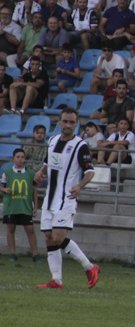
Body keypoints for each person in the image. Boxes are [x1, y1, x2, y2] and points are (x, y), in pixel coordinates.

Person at [33, 108, 99, 289]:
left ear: (76, 124)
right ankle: (57, 280)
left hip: (66, 198)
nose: (69, 125)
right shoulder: (52, 140)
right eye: (66, 121)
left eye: (72, 122)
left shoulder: (80, 145)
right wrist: (40, 172)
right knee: (48, 237)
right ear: (60, 122)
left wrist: (79, 186)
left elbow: (90, 171)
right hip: (50, 198)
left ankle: (90, 267)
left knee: (58, 237)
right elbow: (48, 163)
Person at [1, 148, 41, 262]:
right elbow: (2, 186)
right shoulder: (7, 173)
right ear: (13, 159)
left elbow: (34, 190)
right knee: (10, 228)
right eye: (18, 157)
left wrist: (36, 206)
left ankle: (35, 254)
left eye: (22, 157)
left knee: (30, 229)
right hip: (11, 206)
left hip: (25, 206)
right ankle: (12, 254)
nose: (20, 159)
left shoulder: (30, 173)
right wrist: (5, 190)